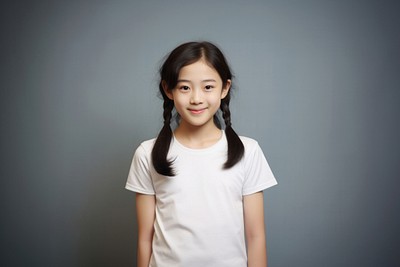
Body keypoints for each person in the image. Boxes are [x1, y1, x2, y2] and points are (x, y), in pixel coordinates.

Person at [126, 41, 277, 267]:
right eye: (185, 87)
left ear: (224, 88)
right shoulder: (147, 153)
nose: (196, 98)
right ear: (168, 89)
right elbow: (144, 239)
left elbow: (256, 238)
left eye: (208, 87)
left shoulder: (248, 151)